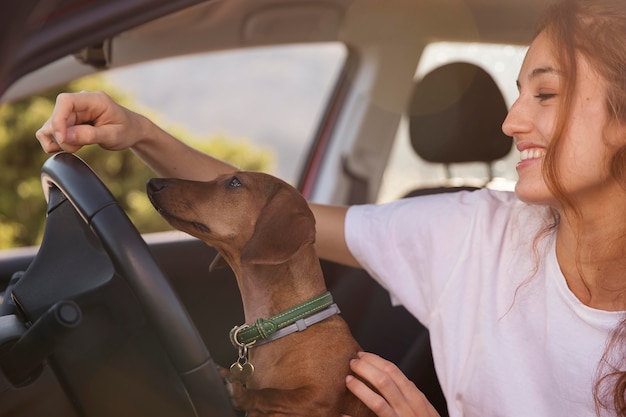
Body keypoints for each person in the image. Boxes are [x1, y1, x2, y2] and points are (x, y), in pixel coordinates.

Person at [35, 0, 626, 415]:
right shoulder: (473, 232)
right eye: (519, 92)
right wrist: (139, 132)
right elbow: (264, 209)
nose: (510, 121)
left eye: (545, 94)